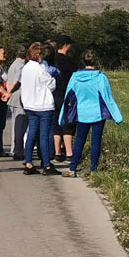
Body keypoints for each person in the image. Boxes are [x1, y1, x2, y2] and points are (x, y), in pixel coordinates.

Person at [59, 50, 123, 177]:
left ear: (83, 61)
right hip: (97, 113)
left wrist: (62, 115)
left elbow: (67, 96)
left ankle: (72, 168)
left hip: (82, 113)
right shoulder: (100, 77)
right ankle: (93, 170)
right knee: (96, 142)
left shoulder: (75, 77)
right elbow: (107, 97)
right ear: (96, 61)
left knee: (79, 141)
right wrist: (117, 116)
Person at [20, 42, 59, 175]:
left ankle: (29, 162)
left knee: (31, 134)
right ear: (39, 55)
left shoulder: (25, 68)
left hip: (30, 104)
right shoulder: (40, 69)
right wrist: (53, 79)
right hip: (43, 105)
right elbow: (51, 84)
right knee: (43, 135)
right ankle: (47, 164)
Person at [52, 34, 77, 163]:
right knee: (68, 124)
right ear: (66, 45)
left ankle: (57, 152)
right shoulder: (69, 61)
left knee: (56, 123)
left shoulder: (52, 60)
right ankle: (69, 153)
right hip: (66, 95)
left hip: (54, 95)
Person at [5, 45, 28, 160]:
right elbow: (17, 81)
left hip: (13, 99)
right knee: (20, 126)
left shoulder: (14, 64)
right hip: (18, 97)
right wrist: (9, 92)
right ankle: (18, 150)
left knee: (16, 125)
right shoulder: (21, 66)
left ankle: (15, 149)